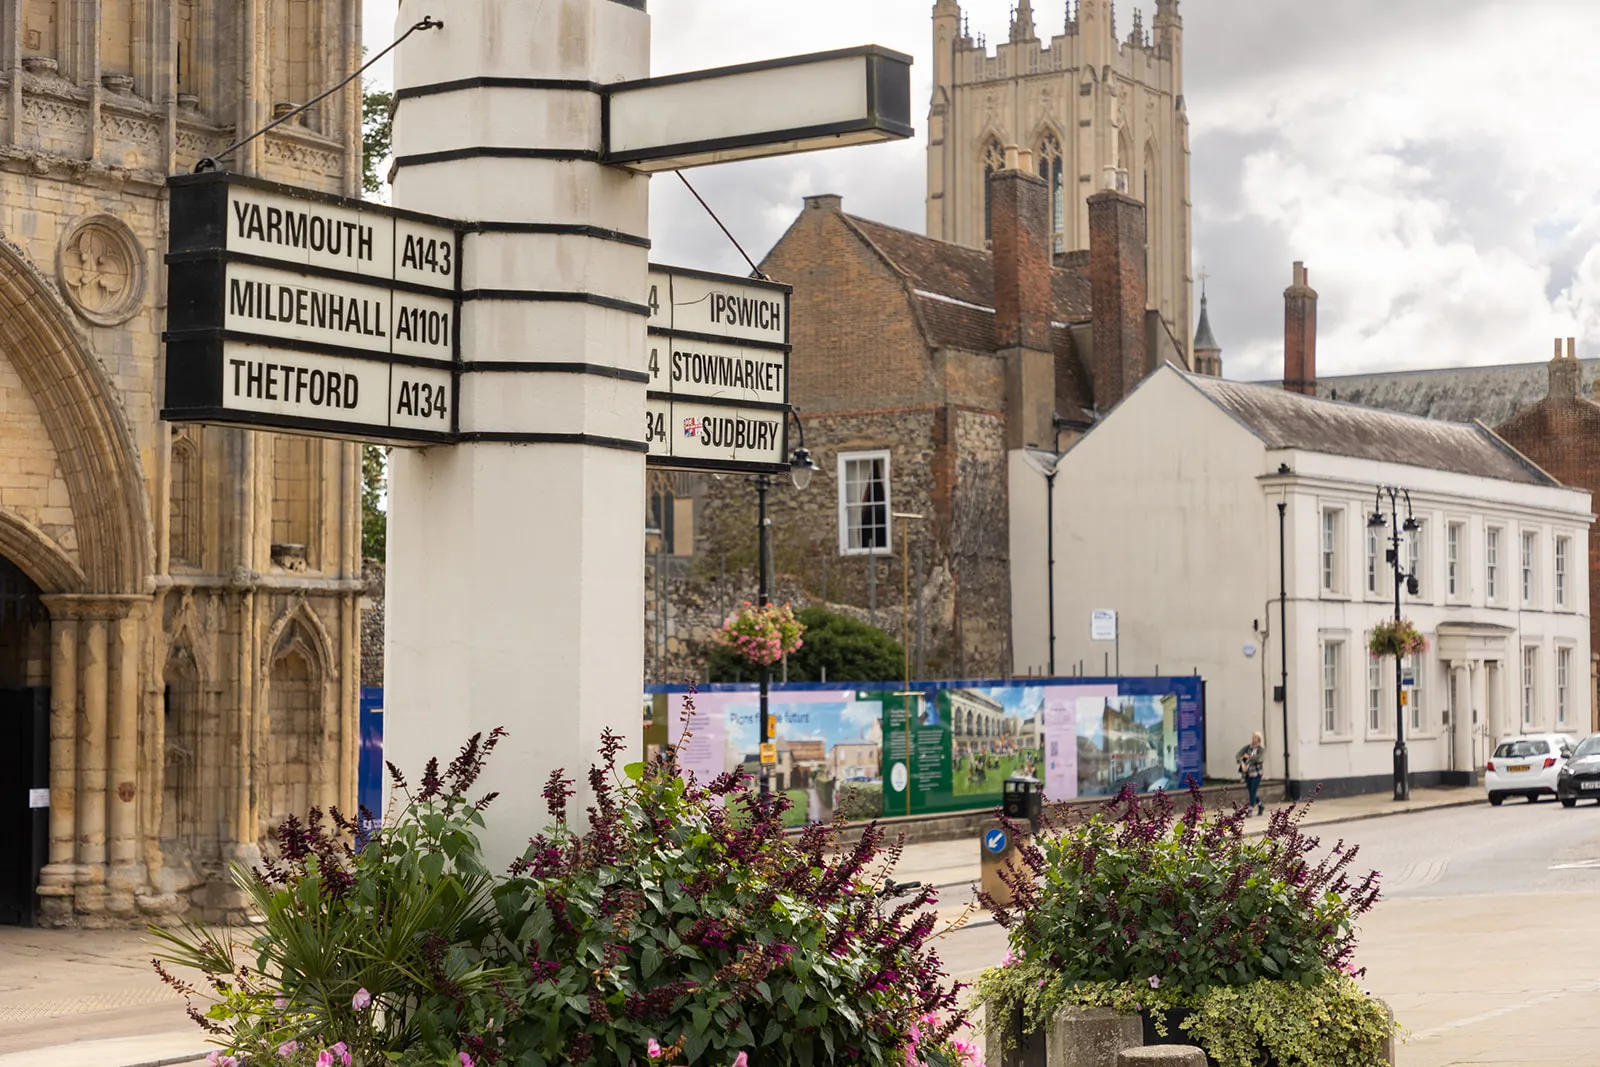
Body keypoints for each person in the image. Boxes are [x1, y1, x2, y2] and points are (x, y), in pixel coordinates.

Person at [1236, 731, 1266, 816]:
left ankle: (1250, 809)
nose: (1253, 739)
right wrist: (1242, 763)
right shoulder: (1248, 747)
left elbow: (1260, 759)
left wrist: (1248, 757)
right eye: (1253, 737)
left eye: (1255, 737)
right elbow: (1238, 755)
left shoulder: (1261, 749)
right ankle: (1260, 805)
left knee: (1253, 790)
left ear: (1259, 739)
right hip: (1247, 772)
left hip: (1257, 772)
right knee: (1251, 791)